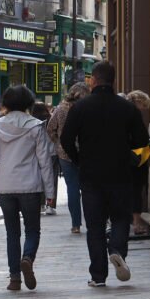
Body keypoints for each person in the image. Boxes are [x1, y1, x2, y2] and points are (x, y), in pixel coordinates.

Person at [61, 61, 149, 287]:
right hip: (120, 173)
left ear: (93, 80)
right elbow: (142, 141)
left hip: (90, 175)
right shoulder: (127, 108)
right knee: (121, 217)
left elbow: (66, 139)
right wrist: (130, 158)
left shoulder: (80, 108)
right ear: (113, 80)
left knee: (95, 225)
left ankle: (98, 276)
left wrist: (79, 159)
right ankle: (117, 250)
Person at [0, 85, 55, 292]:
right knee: (32, 229)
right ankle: (28, 257)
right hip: (30, 185)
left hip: (5, 186)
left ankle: (14, 278)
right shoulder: (35, 126)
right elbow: (45, 161)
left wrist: (0, 172)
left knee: (11, 232)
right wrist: (50, 193)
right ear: (28, 103)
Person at [46, 83, 90, 234]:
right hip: (85, 152)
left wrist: (57, 142)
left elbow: (50, 128)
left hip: (64, 153)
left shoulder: (60, 109)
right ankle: (92, 221)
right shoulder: (85, 108)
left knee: (72, 188)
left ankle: (76, 224)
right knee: (88, 188)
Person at [125, 90, 150, 235]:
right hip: (136, 158)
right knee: (136, 190)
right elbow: (140, 137)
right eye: (144, 106)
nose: (144, 109)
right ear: (138, 102)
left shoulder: (122, 111)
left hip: (122, 158)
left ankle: (124, 220)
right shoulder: (133, 114)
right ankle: (136, 222)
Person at [30, 101, 56, 215]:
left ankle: (40, 204)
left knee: (38, 177)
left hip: (37, 152)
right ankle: (51, 205)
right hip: (52, 152)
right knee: (52, 177)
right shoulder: (51, 118)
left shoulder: (31, 121)